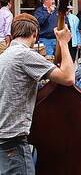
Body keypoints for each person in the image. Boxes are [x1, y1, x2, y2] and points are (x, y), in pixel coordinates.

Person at [0, 13, 75, 174]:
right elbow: (68, 77)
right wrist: (63, 42)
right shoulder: (24, 55)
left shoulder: (5, 56)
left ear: (13, 34)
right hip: (13, 140)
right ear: (35, 34)